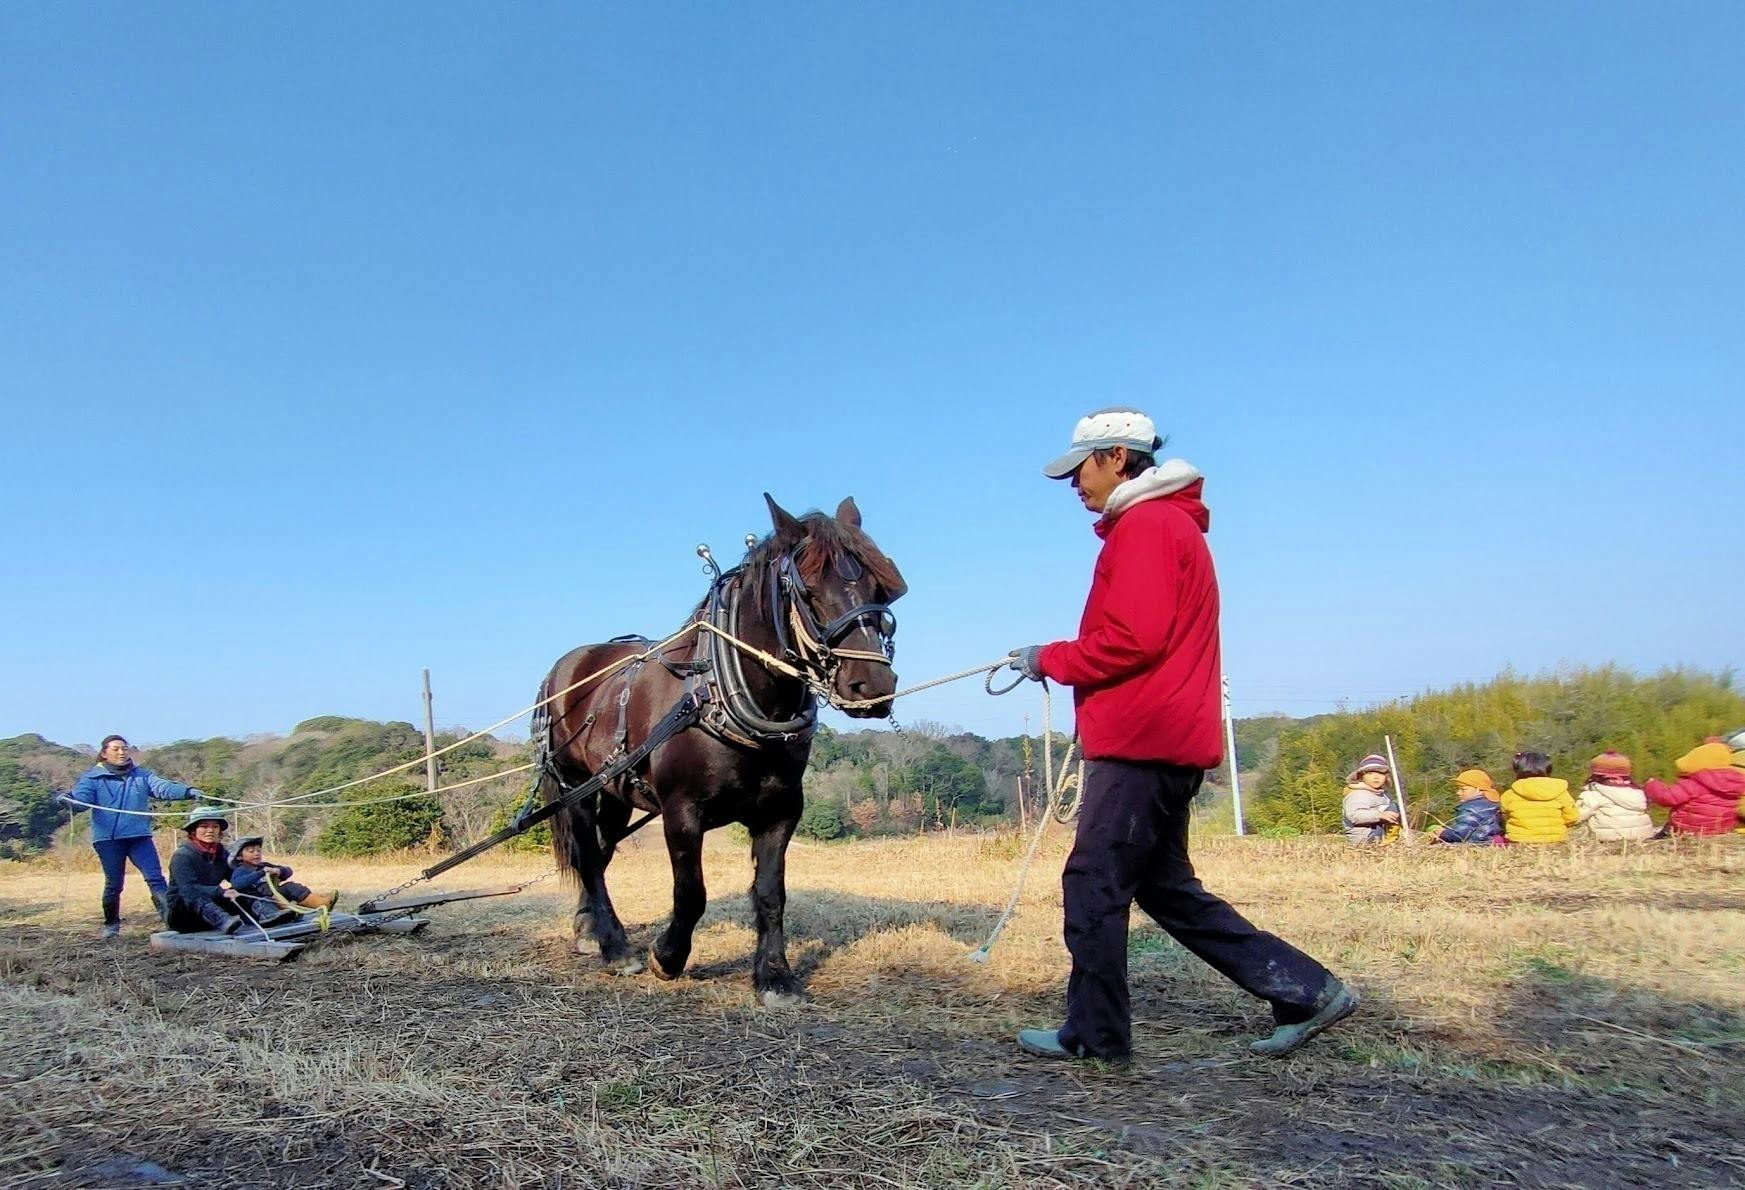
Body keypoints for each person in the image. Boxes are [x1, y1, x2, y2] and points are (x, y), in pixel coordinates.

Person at [1006, 407, 1356, 1064]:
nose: (1072, 484)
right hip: (1165, 737)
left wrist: (1047, 657)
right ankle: (1304, 991)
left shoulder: (1145, 527)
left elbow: (1132, 640)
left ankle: (1095, 1036)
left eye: (1078, 468)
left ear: (1114, 456)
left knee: (1092, 883)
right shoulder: (1167, 525)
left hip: (1140, 741)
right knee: (1163, 888)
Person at [62, 734, 205, 939]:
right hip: (108, 840)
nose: (121, 752)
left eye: (124, 748)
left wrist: (188, 791)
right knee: (114, 883)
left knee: (155, 878)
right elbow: (82, 800)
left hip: (139, 836)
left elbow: (162, 787)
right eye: (116, 749)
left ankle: (173, 921)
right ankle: (111, 925)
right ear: (104, 753)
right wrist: (70, 801)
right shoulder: (92, 778)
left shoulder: (141, 775)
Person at [1644, 737, 1745, 837]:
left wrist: (1652, 785)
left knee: (1664, 832)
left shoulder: (1693, 783)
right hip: (1721, 829)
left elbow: (1666, 798)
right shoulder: (1738, 783)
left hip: (1689, 829)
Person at [165, 807, 243, 934]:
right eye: (204, 826)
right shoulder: (182, 856)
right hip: (185, 914)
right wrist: (221, 891)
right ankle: (223, 921)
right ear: (194, 830)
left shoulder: (222, 853)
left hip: (213, 903)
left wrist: (262, 872)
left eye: (215, 826)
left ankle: (267, 916)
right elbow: (189, 890)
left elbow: (237, 876)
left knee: (245, 891)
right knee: (193, 896)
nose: (210, 831)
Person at [229, 836, 337, 925]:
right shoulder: (240, 871)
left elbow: (288, 871)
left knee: (290, 887)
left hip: (276, 899)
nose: (256, 853)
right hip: (257, 907)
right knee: (264, 891)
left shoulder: (265, 866)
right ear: (239, 856)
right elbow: (237, 884)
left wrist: (278, 871)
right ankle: (283, 913)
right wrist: (260, 873)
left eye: (258, 850)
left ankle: (320, 903)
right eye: (251, 851)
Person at [1573, 751, 1656, 843]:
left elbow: (1577, 816)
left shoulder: (1594, 793)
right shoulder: (1638, 791)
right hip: (1642, 837)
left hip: (1608, 840)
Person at [1498, 752, 1579, 844]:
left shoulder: (1509, 795)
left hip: (1520, 842)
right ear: (1548, 769)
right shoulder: (1561, 792)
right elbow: (1572, 817)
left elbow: (1504, 818)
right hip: (1555, 841)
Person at [1430, 769, 1503, 844]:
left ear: (1478, 790)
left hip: (1475, 845)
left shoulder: (1472, 808)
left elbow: (1460, 834)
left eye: (1463, 789)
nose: (1458, 792)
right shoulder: (1489, 804)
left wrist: (1442, 833)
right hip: (1486, 843)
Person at [1341, 755, 1401, 844]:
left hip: (1379, 835)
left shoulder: (1383, 795)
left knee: (1394, 806)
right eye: (1370, 774)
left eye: (1380, 773)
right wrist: (1380, 815)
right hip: (1363, 838)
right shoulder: (1358, 794)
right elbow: (1354, 816)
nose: (1376, 777)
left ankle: (1391, 839)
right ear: (1361, 776)